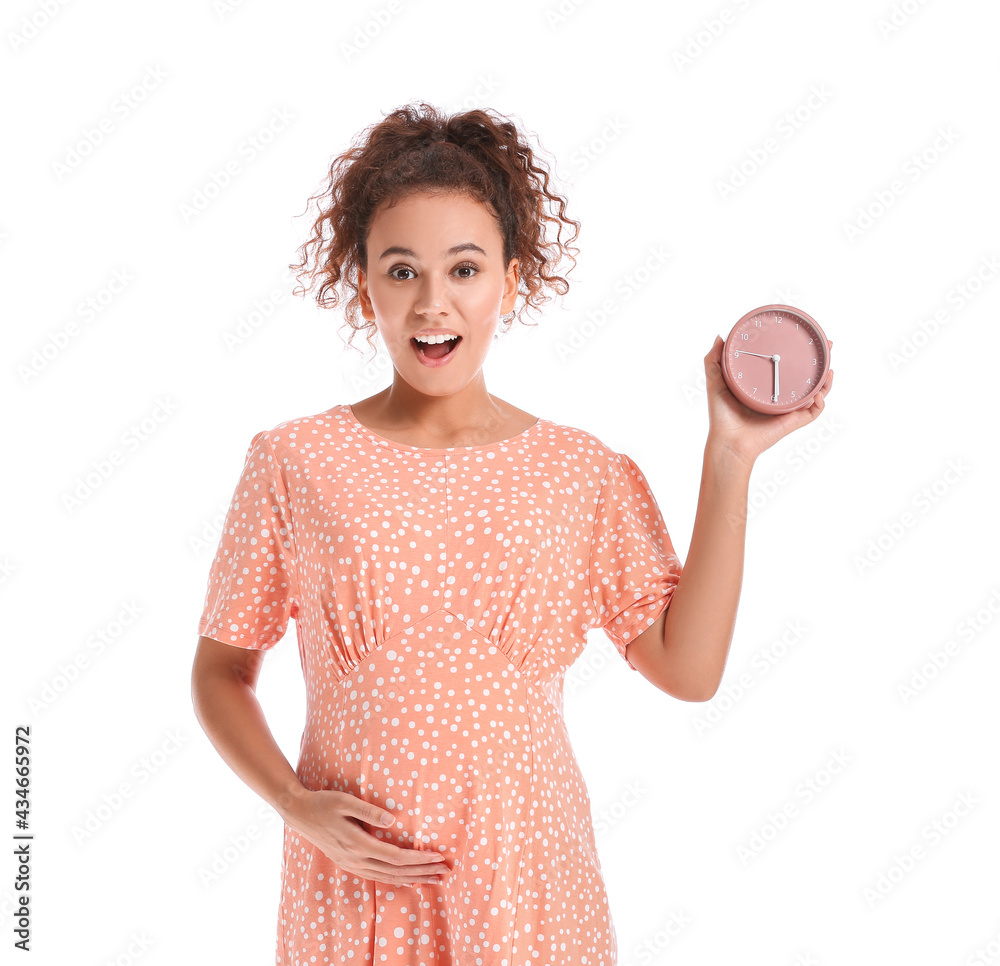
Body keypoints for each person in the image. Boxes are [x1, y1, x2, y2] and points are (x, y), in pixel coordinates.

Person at [190, 101, 834, 966]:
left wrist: (729, 455)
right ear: (362, 283)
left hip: (529, 886)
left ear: (513, 279)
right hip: (357, 890)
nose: (432, 304)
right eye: (401, 270)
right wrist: (295, 805)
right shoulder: (295, 461)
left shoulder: (580, 472)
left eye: (464, 268)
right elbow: (221, 669)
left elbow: (690, 670)